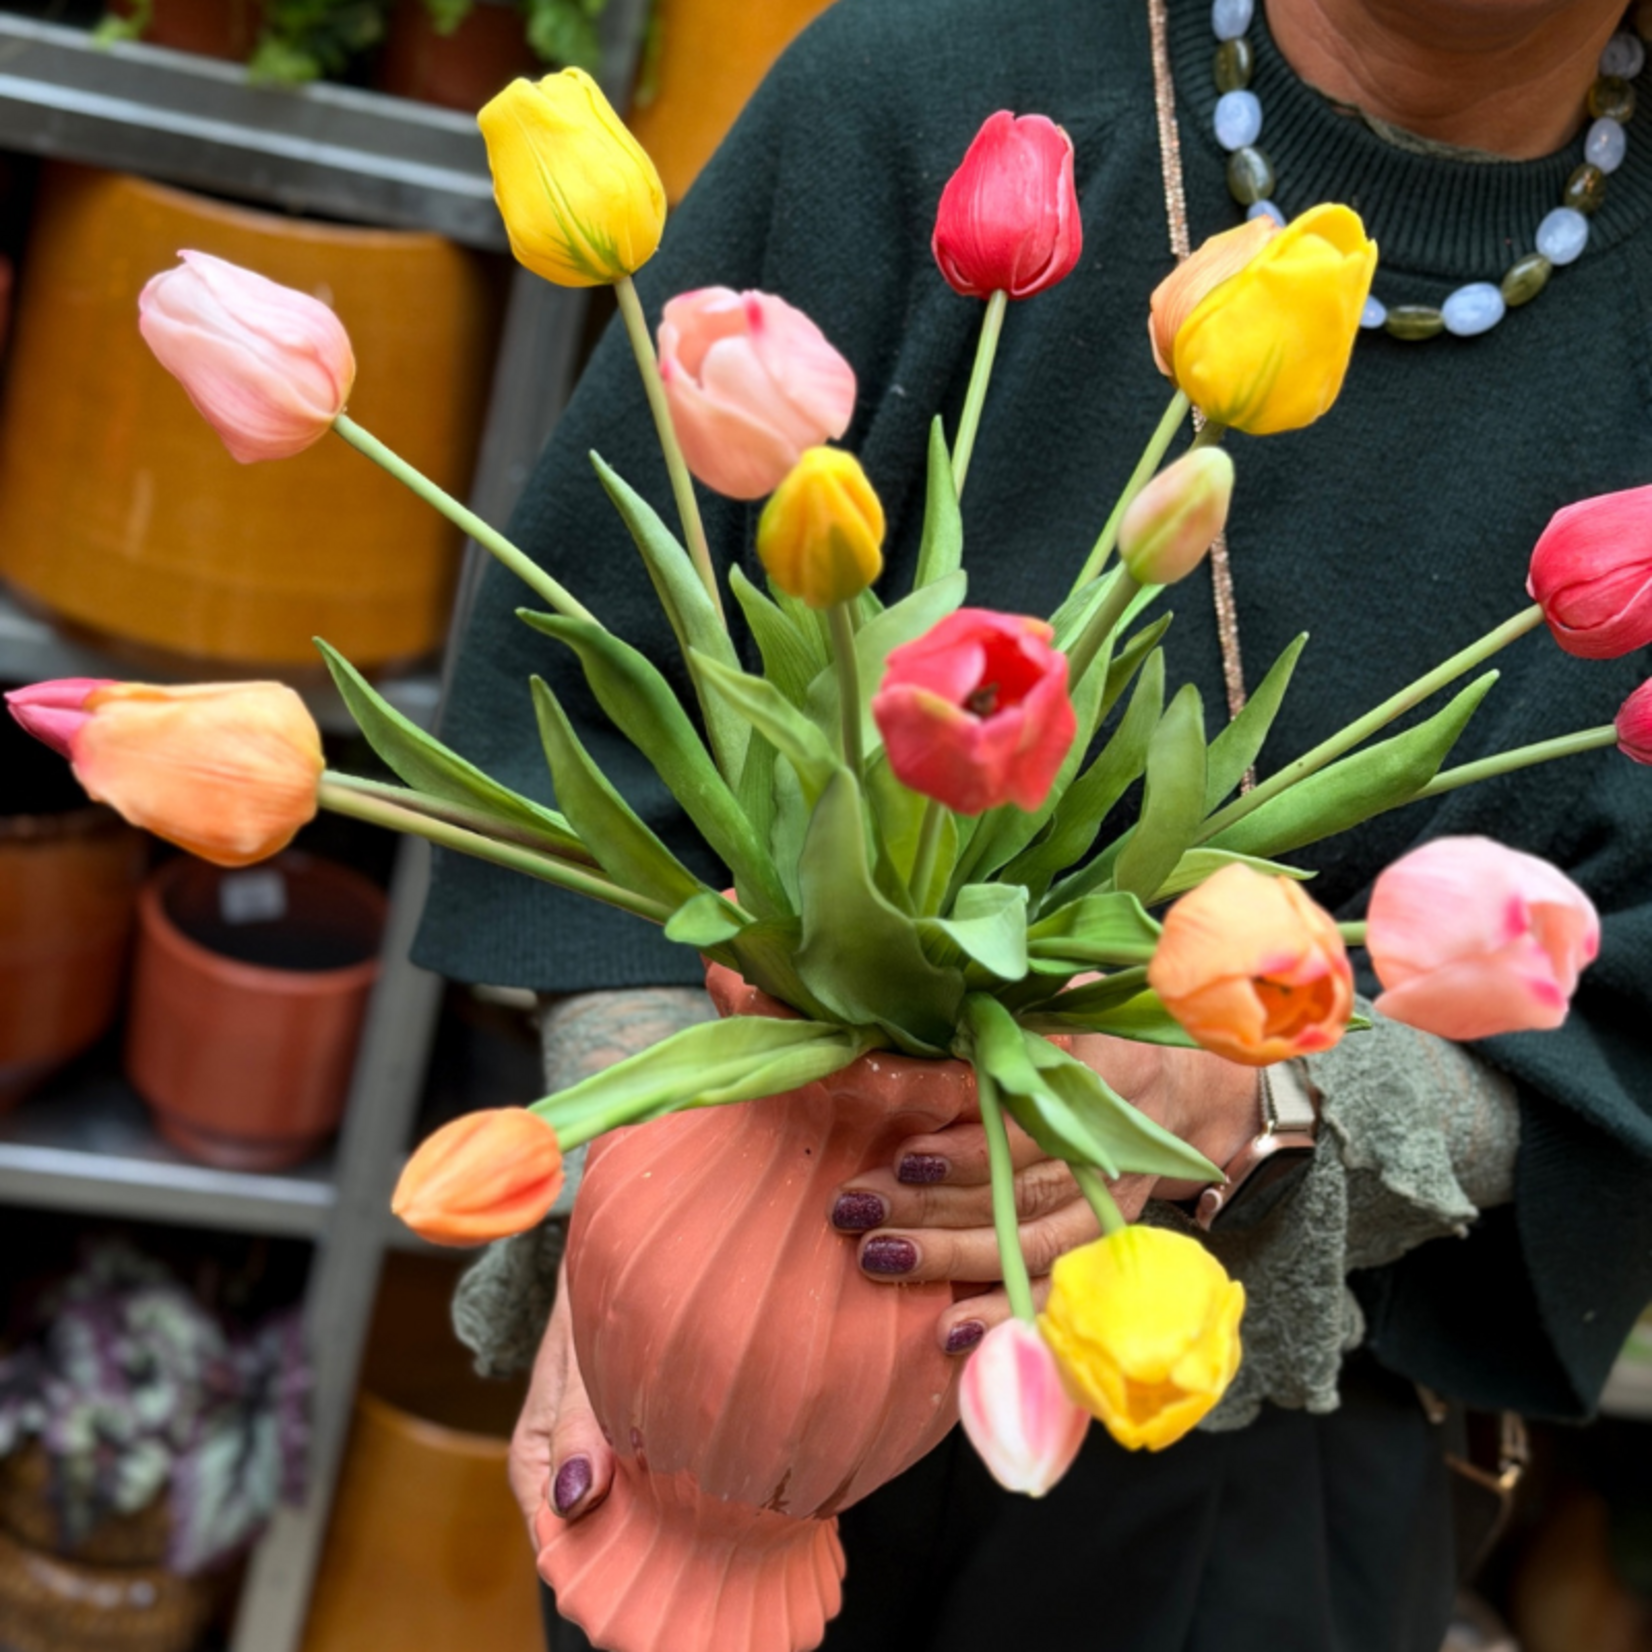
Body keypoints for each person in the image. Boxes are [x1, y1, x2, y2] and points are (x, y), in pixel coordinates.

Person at [414, 0, 1652, 1645]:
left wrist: (1269, 1090)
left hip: (1244, 1455)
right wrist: (645, 1184)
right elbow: (590, 694)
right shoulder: (937, 89)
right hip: (745, 1352)